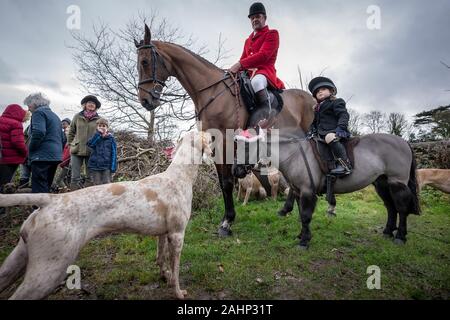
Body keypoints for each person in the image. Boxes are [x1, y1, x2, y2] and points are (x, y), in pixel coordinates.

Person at [229, 2, 285, 137]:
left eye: (258, 16)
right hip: (248, 74)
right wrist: (233, 71)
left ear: (264, 18)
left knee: (256, 83)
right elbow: (243, 58)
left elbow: (264, 56)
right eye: (252, 18)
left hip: (265, 71)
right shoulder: (248, 40)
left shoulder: (272, 34)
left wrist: (239, 64)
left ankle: (267, 116)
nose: (255, 20)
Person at [307, 77, 352, 176]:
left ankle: (345, 165)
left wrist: (341, 127)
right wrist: (310, 132)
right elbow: (314, 122)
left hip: (336, 131)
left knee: (329, 137)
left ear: (331, 91)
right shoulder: (317, 108)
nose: (320, 92)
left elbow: (343, 115)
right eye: (317, 91)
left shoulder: (336, 102)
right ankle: (329, 166)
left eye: (323, 89)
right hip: (321, 134)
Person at [23, 93, 64, 193]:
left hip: (41, 156)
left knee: (39, 188)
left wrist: (31, 149)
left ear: (35, 103)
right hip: (55, 156)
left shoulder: (38, 113)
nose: (28, 109)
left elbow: (39, 132)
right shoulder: (55, 116)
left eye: (29, 105)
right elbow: (63, 138)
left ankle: (38, 208)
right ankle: (48, 208)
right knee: (46, 186)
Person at [67, 95, 101, 190]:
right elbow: (71, 132)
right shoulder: (77, 116)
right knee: (75, 177)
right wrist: (70, 144)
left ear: (96, 106)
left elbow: (102, 134)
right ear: (85, 105)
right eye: (89, 102)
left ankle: (86, 199)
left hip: (92, 151)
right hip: (76, 150)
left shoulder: (99, 119)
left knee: (90, 177)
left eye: (93, 103)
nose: (91, 104)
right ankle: (73, 197)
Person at [0, 104, 28, 192]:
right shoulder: (16, 124)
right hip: (10, 160)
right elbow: (18, 143)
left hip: (1, 156)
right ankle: (3, 204)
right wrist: (25, 153)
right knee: (4, 184)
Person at [87, 118, 117, 185]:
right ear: (97, 127)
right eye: (100, 126)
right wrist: (98, 135)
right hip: (95, 166)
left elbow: (114, 153)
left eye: (104, 126)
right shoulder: (95, 136)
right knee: (97, 185)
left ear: (107, 128)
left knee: (106, 184)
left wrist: (113, 167)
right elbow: (91, 144)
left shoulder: (111, 139)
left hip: (106, 166)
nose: (102, 127)